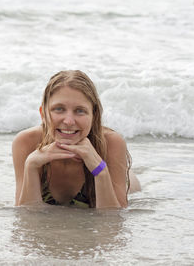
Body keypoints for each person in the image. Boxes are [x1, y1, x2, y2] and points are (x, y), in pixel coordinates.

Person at [12, 70, 140, 208]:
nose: (68, 121)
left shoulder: (111, 143)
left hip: (129, 183)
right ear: (43, 114)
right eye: (59, 109)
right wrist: (31, 165)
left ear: (94, 115)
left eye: (80, 111)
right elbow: (26, 218)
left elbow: (112, 221)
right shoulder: (26, 142)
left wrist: (101, 171)